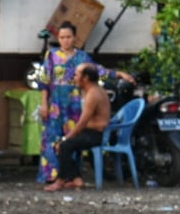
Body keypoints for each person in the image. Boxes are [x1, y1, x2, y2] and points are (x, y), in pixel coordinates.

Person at [37, 22, 133, 184]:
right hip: (56, 105)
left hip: (75, 105)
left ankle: (71, 176)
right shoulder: (51, 56)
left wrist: (118, 74)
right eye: (62, 38)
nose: (65, 41)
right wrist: (44, 104)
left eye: (68, 37)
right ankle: (52, 175)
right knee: (52, 138)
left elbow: (98, 71)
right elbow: (44, 81)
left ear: (74, 38)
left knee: (72, 138)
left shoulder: (82, 57)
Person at [44, 63, 111, 192]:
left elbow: (82, 122)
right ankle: (77, 179)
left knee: (63, 145)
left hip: (95, 134)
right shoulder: (92, 90)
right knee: (63, 145)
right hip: (90, 131)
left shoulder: (93, 94)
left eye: (77, 74)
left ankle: (60, 181)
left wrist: (67, 138)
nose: (74, 76)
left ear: (85, 78)